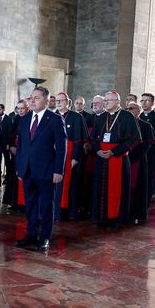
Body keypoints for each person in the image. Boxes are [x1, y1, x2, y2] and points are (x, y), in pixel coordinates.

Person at [15, 87, 66, 252]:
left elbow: (61, 148)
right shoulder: (25, 118)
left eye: (36, 98)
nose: (32, 100)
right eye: (31, 97)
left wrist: (59, 171)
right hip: (27, 170)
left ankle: (44, 237)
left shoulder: (55, 119)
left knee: (45, 206)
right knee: (30, 205)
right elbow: (21, 145)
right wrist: (19, 167)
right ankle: (30, 233)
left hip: (47, 171)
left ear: (46, 100)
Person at [90, 91, 141, 228]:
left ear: (118, 101)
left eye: (109, 100)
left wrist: (114, 152)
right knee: (100, 187)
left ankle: (116, 219)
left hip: (118, 158)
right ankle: (101, 218)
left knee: (117, 189)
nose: (105, 103)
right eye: (105, 100)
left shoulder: (127, 117)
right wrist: (98, 150)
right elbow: (93, 138)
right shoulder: (101, 117)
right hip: (102, 158)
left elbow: (135, 138)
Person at [54, 92, 88, 221]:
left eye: (61, 100)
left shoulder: (76, 117)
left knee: (70, 185)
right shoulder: (52, 116)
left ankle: (68, 212)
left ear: (68, 102)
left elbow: (79, 140)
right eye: (57, 100)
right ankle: (54, 211)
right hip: (54, 155)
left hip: (69, 156)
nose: (58, 102)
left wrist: (75, 158)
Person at [126, 102, 155, 224]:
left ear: (138, 111)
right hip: (124, 159)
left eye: (131, 108)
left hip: (138, 160)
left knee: (138, 189)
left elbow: (146, 145)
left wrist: (131, 156)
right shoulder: (124, 124)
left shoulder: (146, 125)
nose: (129, 110)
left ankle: (137, 214)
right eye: (127, 108)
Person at [3, 99, 29, 210]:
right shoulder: (17, 118)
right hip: (15, 153)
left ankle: (23, 203)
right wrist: (12, 145)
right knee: (13, 177)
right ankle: (13, 202)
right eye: (18, 108)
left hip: (25, 153)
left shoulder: (30, 118)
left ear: (27, 108)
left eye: (22, 108)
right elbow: (11, 134)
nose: (20, 111)